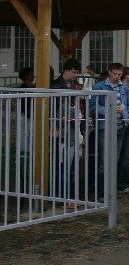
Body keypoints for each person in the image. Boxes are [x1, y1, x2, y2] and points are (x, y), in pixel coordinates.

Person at [90, 63, 129, 197]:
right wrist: (111, 108)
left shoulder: (124, 87)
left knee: (115, 159)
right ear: (109, 72)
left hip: (121, 126)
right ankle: (102, 192)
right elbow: (93, 107)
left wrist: (126, 112)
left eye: (120, 74)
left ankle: (111, 190)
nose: (117, 77)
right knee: (104, 161)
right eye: (115, 74)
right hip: (106, 127)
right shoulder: (99, 87)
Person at [52, 59, 82, 207]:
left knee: (72, 168)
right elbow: (56, 111)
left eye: (77, 73)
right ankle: (64, 197)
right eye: (74, 72)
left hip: (73, 133)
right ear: (66, 71)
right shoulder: (57, 86)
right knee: (64, 167)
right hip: (62, 134)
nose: (76, 75)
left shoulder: (73, 85)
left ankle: (72, 196)